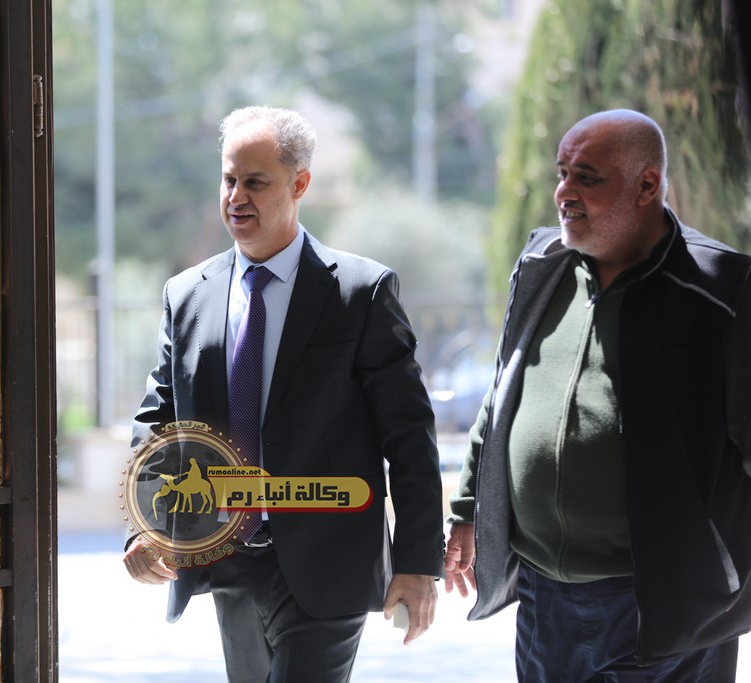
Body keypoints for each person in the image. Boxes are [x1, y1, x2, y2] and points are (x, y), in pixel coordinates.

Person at [123, 105, 445, 682]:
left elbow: (409, 436)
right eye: (229, 180)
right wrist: (145, 525)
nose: (236, 197)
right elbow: (159, 419)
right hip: (226, 557)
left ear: (299, 184)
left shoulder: (361, 292)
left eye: (255, 182)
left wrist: (419, 562)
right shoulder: (187, 295)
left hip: (330, 562)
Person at [444, 109, 751, 681]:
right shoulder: (542, 265)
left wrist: (728, 575)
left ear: (647, 185)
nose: (564, 192)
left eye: (587, 177)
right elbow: (503, 392)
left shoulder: (722, 289)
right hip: (543, 598)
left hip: (664, 603)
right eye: (562, 173)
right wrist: (467, 511)